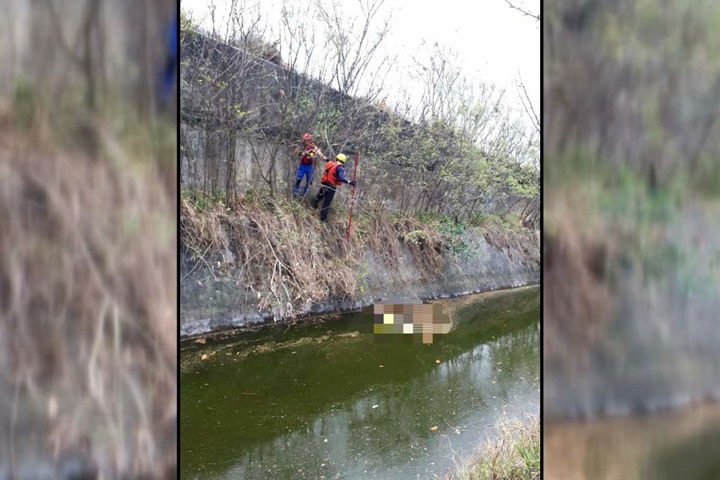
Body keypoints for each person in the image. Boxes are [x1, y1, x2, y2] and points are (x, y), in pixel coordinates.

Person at [312, 153, 356, 222]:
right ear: (343, 161)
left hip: (324, 184)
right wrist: (350, 182)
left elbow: (326, 160)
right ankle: (322, 218)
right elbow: (341, 178)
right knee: (326, 202)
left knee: (319, 196)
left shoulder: (330, 163)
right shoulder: (340, 168)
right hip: (331, 187)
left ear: (337, 159)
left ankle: (313, 207)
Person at [293, 133, 326, 197]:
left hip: (310, 166)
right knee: (298, 179)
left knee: (309, 182)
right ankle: (295, 192)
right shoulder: (302, 146)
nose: (307, 141)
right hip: (303, 165)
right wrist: (297, 148)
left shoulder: (313, 146)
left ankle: (304, 195)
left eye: (308, 140)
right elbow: (295, 154)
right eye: (306, 140)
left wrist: (325, 159)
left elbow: (319, 153)